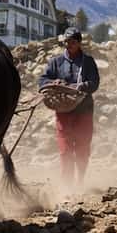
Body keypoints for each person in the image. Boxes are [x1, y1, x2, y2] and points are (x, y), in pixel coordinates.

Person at [39, 28, 100, 183]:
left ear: (79, 43)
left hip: (84, 110)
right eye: (66, 42)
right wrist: (53, 82)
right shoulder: (56, 62)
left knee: (82, 147)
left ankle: (80, 180)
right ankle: (67, 185)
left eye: (72, 42)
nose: (69, 45)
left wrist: (81, 86)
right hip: (63, 111)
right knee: (65, 149)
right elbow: (43, 80)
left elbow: (94, 83)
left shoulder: (88, 62)